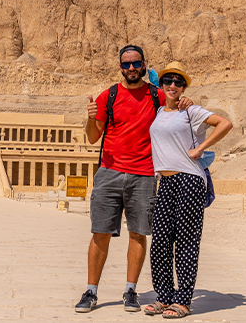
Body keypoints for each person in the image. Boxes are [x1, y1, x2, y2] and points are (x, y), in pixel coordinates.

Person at [76, 45, 192, 313]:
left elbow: (180, 111)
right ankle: (91, 291)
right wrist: (90, 118)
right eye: (126, 64)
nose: (131, 68)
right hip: (110, 172)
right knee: (100, 233)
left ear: (143, 65)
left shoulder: (157, 95)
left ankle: (131, 290)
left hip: (143, 174)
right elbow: (93, 137)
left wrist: (187, 102)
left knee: (138, 234)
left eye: (135, 63)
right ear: (120, 67)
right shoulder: (109, 96)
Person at [144, 62, 232, 319]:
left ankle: (182, 301)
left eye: (178, 82)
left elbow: (225, 124)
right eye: (168, 81)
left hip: (189, 179)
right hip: (166, 182)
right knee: (160, 241)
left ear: (184, 87)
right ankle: (163, 297)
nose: (173, 85)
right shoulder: (160, 110)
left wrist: (200, 147)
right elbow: (147, 80)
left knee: (185, 241)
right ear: (162, 85)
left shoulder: (190, 110)